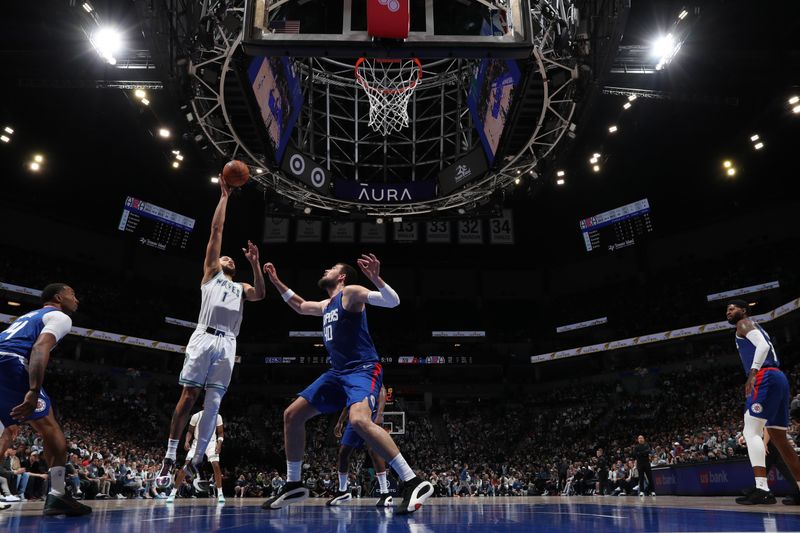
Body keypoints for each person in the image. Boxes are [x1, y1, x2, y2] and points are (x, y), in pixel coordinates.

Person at [260, 255, 433, 514]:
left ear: (341, 276)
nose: (325, 269)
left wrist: (376, 279)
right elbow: (299, 305)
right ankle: (294, 483)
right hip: (337, 373)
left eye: (331, 268)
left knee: (360, 421)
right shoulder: (326, 304)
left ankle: (413, 481)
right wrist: (275, 281)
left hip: (362, 369)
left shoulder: (350, 293)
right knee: (292, 415)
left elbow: (392, 302)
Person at [157, 178, 265, 490]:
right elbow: (216, 231)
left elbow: (259, 294)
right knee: (189, 395)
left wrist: (255, 264)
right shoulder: (210, 275)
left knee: (214, 402)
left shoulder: (240, 287)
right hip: (204, 337)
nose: (228, 257)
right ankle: (169, 454)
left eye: (232, 259)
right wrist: (224, 196)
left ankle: (196, 459)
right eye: (224, 256)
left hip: (228, 342)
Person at [0, 283, 91, 515]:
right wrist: (32, 389)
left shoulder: (29, 316)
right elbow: (40, 348)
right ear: (59, 297)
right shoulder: (60, 316)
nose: (76, 300)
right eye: (73, 294)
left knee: (6, 431)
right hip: (10, 363)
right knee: (52, 431)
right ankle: (58, 495)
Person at [726, 300, 800, 505]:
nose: (728, 312)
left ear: (744, 310)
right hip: (778, 378)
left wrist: (753, 372)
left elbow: (763, 346)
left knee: (750, 431)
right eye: (727, 310)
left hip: (765, 376)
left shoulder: (744, 324)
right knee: (780, 439)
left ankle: (762, 489)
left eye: (732, 308)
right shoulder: (752, 326)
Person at [326, 385, 392, 507]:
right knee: (343, 452)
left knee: (374, 451)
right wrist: (340, 421)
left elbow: (382, 390)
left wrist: (380, 413)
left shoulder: (369, 370)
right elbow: (349, 402)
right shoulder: (351, 377)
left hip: (371, 415)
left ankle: (385, 493)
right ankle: (342, 491)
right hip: (355, 416)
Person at [167, 409, 225, 503]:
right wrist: (186, 441)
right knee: (185, 468)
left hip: (211, 443)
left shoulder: (217, 416)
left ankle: (220, 493)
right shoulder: (196, 416)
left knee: (216, 465)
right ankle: (173, 493)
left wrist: (219, 444)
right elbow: (190, 431)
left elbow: (221, 432)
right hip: (197, 443)